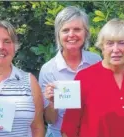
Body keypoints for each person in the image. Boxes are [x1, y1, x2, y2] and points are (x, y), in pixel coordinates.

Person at [61, 18, 124, 137]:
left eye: (122, 43)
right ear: (102, 47)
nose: (116, 49)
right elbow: (69, 128)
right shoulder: (84, 78)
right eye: (110, 43)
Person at [39, 6, 102, 137]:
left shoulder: (96, 61)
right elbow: (50, 120)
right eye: (65, 30)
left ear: (86, 33)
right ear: (58, 35)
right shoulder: (48, 70)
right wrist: (52, 102)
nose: (71, 35)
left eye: (77, 29)